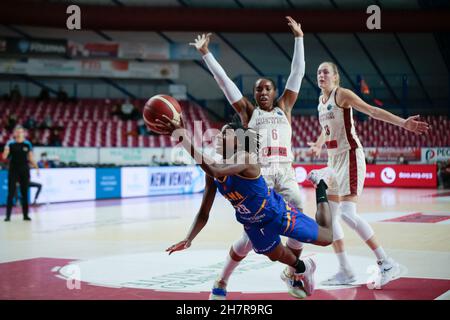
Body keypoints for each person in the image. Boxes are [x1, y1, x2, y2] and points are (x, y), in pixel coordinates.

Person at [189, 16, 307, 299]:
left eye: (267, 89)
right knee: (250, 239)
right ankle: (221, 281)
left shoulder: (285, 109)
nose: (263, 92)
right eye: (258, 89)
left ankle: (292, 273)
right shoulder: (248, 113)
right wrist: (206, 54)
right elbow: (224, 82)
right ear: (254, 95)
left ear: (275, 92)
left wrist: (299, 39)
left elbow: (297, 74)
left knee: (299, 220)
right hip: (260, 175)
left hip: (286, 173)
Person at [162, 116, 334, 298]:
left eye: (225, 133)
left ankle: (320, 184)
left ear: (239, 140)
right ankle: (304, 267)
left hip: (277, 213)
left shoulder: (246, 158)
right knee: (276, 255)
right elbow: (204, 213)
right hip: (252, 223)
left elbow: (216, 170)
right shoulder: (211, 173)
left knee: (327, 238)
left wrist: (182, 136)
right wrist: (188, 239)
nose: (219, 137)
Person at [307, 61, 429, 287]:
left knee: (346, 214)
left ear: (335, 77)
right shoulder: (320, 102)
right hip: (333, 161)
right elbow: (327, 131)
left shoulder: (341, 95)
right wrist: (317, 144)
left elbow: (372, 111)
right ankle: (345, 270)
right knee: (330, 220)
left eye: (325, 71)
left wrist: (404, 123)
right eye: (318, 72)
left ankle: (386, 262)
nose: (320, 75)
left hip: (350, 157)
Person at [2, 126, 39, 221]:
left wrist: (36, 167)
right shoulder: (10, 143)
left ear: (24, 133)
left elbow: (30, 158)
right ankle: (8, 216)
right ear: (14, 133)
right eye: (17, 132)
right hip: (13, 169)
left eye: (21, 132)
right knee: (10, 193)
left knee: (24, 193)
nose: (19, 133)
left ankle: (25, 215)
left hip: (24, 170)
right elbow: (5, 157)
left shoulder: (27, 144)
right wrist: (5, 152)